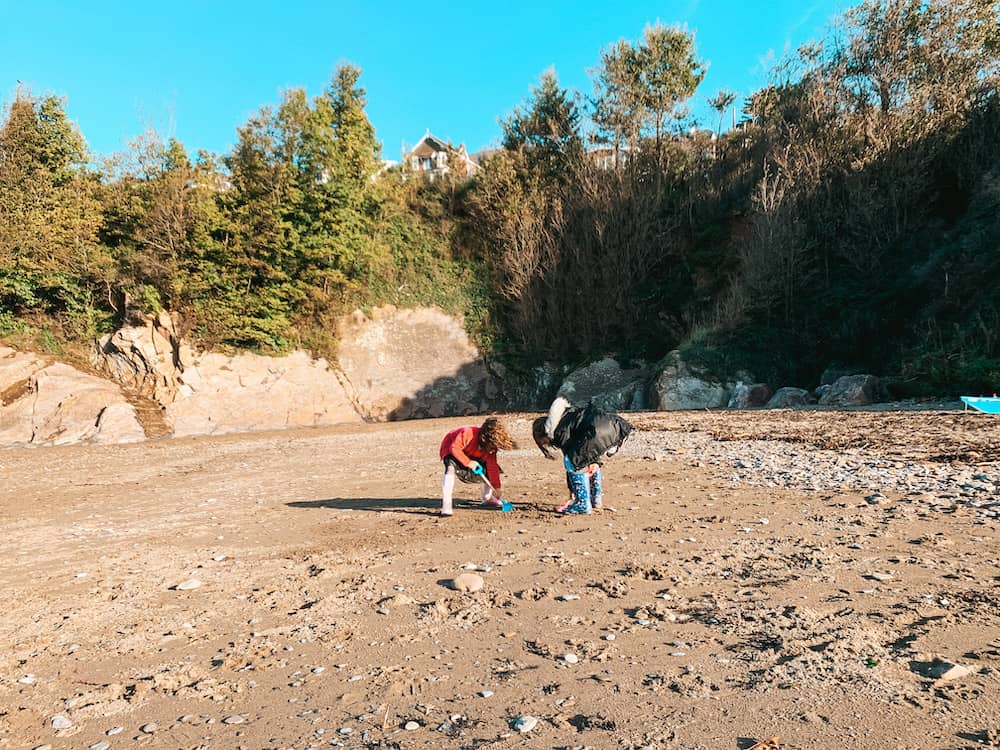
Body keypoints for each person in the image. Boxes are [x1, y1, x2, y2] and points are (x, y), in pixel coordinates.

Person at [532, 396, 633, 515]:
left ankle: (583, 504)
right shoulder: (569, 416)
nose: (546, 445)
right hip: (616, 426)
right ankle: (596, 499)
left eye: (543, 442)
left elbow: (572, 459)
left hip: (599, 432)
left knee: (572, 462)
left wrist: (572, 490)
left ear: (543, 433)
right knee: (588, 461)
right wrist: (596, 462)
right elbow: (589, 446)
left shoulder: (558, 431)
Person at [438, 417, 517, 517]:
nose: (492, 451)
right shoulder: (467, 433)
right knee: (450, 468)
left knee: (488, 469)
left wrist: (497, 487)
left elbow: (492, 467)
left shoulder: (491, 447)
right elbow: (454, 448)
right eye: (492, 446)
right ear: (484, 438)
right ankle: (446, 505)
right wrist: (468, 462)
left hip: (473, 454)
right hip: (451, 450)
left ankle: (488, 499)